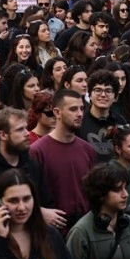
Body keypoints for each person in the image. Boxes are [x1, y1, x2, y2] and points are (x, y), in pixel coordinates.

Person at [30, 89, 96, 230]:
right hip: (53, 230)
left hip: (85, 228)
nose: (79, 114)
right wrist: (40, 212)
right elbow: (27, 193)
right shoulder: (37, 151)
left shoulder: (88, 150)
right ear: (57, 112)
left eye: (81, 109)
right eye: (73, 109)